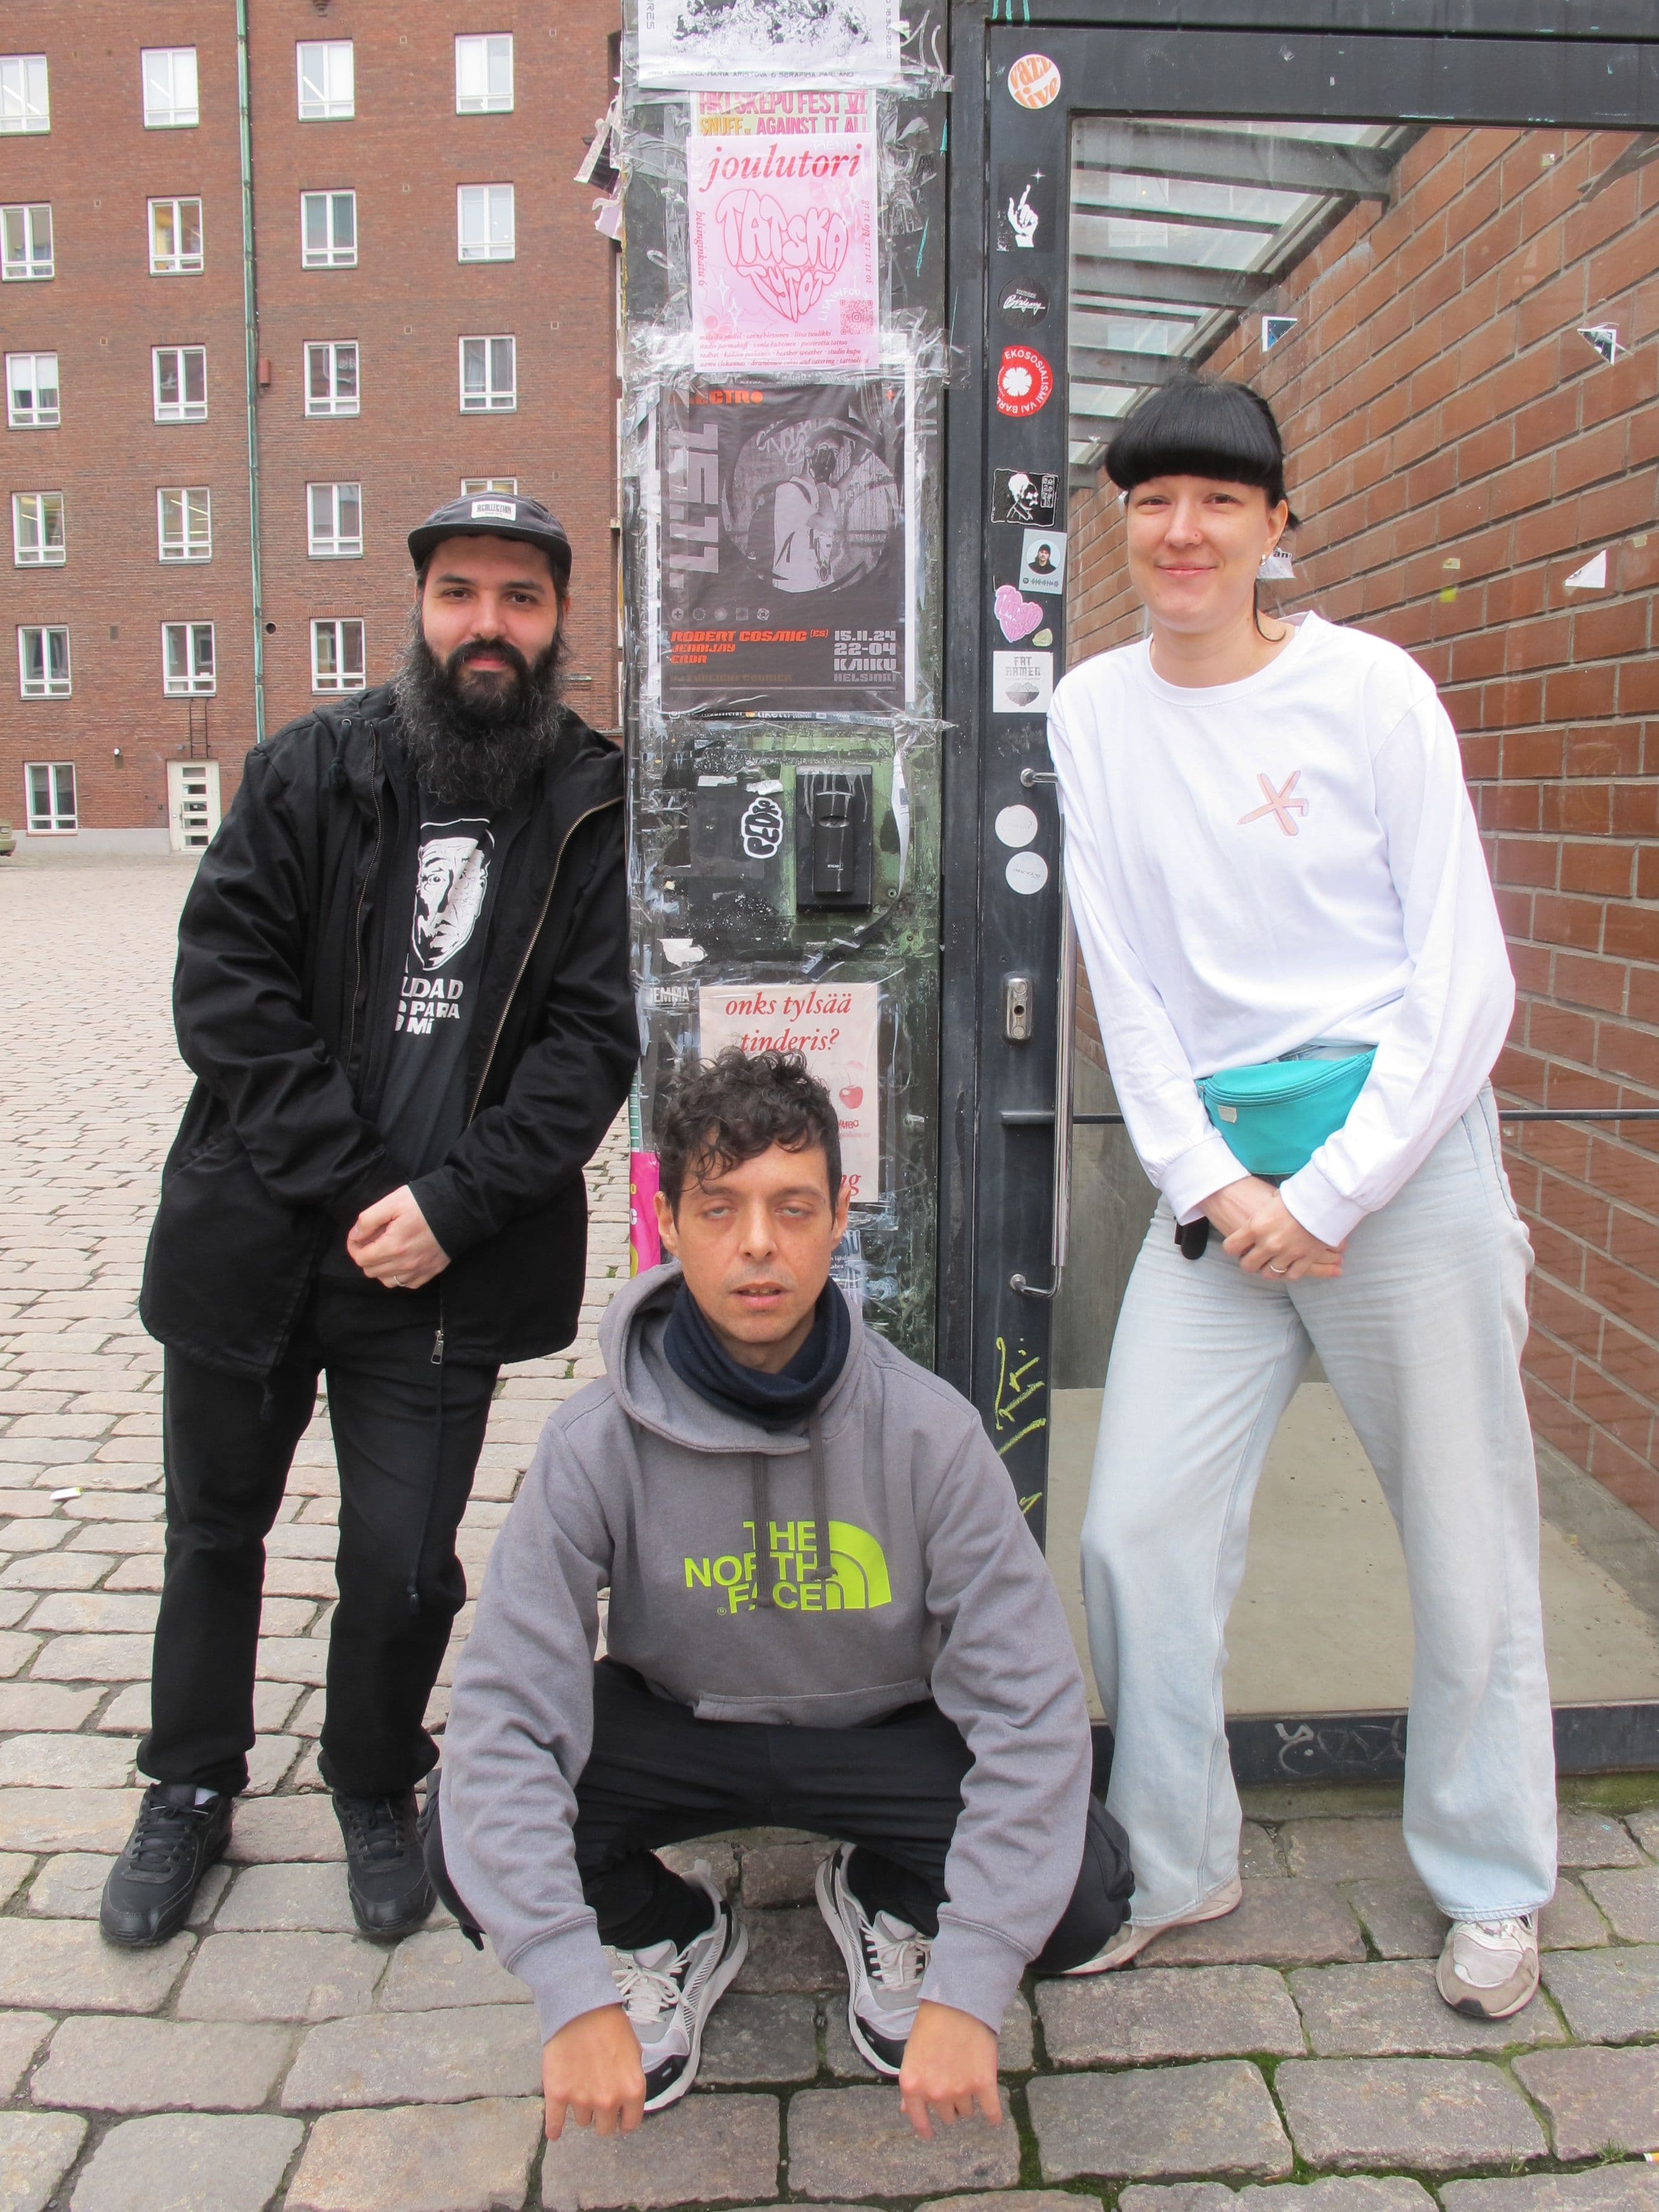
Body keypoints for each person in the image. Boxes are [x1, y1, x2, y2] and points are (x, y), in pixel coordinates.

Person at [1047, 374, 1556, 2022]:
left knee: (1466, 1540)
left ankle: (1491, 1880)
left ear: (1277, 523)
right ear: (1122, 523)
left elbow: (1464, 979)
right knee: (1134, 1531)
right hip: (1219, 1181)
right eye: (1153, 500)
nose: (1183, 531)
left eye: (1220, 501)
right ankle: (1175, 1859)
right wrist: (1213, 1184)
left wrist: (1331, 1189)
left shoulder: (1372, 691)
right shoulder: (1091, 713)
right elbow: (1123, 976)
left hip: (1402, 1167)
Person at [104, 493, 637, 1948]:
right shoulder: (308, 772)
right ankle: (189, 1784)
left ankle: (374, 1777)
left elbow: (592, 1043)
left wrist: (451, 1208)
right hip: (264, 1243)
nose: (486, 625)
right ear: (420, 608)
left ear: (557, 621)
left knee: (403, 1564)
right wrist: (358, 1192)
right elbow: (227, 992)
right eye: (459, 592)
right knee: (215, 1531)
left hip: (449, 1267)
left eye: (519, 598)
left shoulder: (594, 804)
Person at [429, 1050, 1133, 2136]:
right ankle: (665, 1928)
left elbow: (1030, 1710)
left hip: (884, 1735)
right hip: (676, 1725)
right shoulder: (591, 1442)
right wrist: (568, 1986)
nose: (758, 1243)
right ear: (668, 1220)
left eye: (793, 1208)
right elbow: (507, 1713)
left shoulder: (931, 1434)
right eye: (720, 1209)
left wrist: (972, 1981)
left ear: (841, 1215)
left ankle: (890, 1896)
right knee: (458, 1837)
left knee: (1082, 1893)